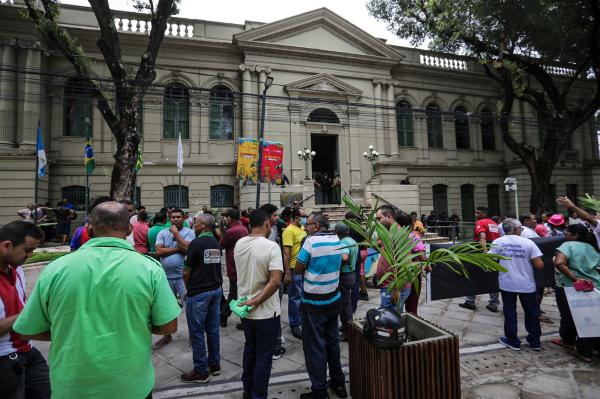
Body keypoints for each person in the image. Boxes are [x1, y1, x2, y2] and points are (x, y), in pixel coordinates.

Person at [13, 202, 180, 398]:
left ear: (89, 227)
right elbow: (168, 326)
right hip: (130, 385)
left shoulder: (55, 269)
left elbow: (29, 329)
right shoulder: (150, 268)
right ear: (129, 228)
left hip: (72, 386)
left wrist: (70, 329)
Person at [296, 213, 347, 399]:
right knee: (332, 342)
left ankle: (319, 391)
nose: (305, 227)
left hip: (314, 303)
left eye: (307, 224)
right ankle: (339, 383)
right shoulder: (337, 239)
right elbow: (341, 262)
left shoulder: (310, 242)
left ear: (316, 225)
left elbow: (299, 267)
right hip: (334, 299)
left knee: (315, 346)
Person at [234, 210, 283, 399]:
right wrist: (257, 301)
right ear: (267, 224)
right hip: (265, 312)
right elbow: (275, 281)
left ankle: (248, 389)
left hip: (245, 309)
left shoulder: (240, 243)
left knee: (250, 349)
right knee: (264, 356)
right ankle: (258, 395)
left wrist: (251, 301)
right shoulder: (271, 247)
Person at [0, 221, 50, 399]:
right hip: (4, 357)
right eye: (27, 250)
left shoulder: (16, 268)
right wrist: (27, 313)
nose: (29, 255)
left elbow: (21, 302)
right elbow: (23, 312)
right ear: (7, 245)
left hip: (27, 349)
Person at [489, 218, 544, 351]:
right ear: (515, 229)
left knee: (510, 312)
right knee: (532, 312)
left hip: (507, 283)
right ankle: (535, 341)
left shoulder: (498, 242)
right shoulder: (528, 242)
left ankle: (513, 341)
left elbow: (490, 260)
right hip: (527, 284)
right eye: (520, 228)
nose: (521, 230)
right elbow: (539, 265)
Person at [180, 213, 223, 383]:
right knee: (213, 329)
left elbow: (185, 272)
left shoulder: (195, 243)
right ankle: (215, 364)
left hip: (199, 294)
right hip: (216, 291)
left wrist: (188, 288)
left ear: (204, 224)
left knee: (197, 333)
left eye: (196, 223)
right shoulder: (216, 243)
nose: (193, 225)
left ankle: (200, 371)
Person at [552, 223, 600, 362]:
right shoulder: (593, 247)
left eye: (567, 233)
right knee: (592, 318)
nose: (565, 236)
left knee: (570, 316)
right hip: (594, 287)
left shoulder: (567, 246)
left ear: (575, 236)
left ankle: (575, 346)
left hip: (570, 287)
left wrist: (576, 278)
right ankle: (595, 348)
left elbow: (559, 263)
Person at [154, 208, 195, 349]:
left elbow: (188, 249)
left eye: (178, 217)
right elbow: (159, 251)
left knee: (190, 308)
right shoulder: (162, 233)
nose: (176, 219)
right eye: (173, 217)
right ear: (169, 219)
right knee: (167, 309)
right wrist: (179, 248)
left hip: (183, 278)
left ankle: (193, 336)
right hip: (166, 278)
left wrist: (176, 234)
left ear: (183, 218)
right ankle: (167, 335)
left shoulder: (190, 233)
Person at [459, 207, 501, 312]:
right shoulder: (493, 223)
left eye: (478, 213)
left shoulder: (480, 222)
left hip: (482, 252)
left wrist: (485, 251)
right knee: (493, 276)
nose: (476, 215)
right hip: (495, 251)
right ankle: (494, 304)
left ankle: (470, 302)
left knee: (473, 275)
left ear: (484, 213)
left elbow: (482, 236)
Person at [259, 203, 286, 360]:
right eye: (274, 215)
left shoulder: (274, 229)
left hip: (277, 276)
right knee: (272, 312)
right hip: (271, 279)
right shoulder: (266, 235)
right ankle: (274, 346)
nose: (277, 218)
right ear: (267, 218)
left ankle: (275, 341)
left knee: (275, 311)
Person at [219, 208, 248, 329]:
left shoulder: (231, 231)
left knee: (233, 295)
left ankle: (224, 316)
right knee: (240, 294)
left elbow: (220, 245)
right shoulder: (244, 229)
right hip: (242, 267)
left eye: (226, 217)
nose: (225, 219)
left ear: (230, 218)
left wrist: (219, 233)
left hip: (234, 268)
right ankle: (243, 320)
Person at [282, 207, 307, 340]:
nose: (305, 218)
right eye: (303, 216)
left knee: (303, 296)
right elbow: (286, 253)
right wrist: (287, 273)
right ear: (296, 217)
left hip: (303, 267)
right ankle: (294, 324)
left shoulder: (302, 229)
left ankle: (302, 320)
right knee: (295, 298)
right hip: (293, 268)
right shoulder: (289, 230)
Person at [335, 222, 357, 341]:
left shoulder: (343, 242)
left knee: (345, 305)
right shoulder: (353, 241)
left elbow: (344, 257)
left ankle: (347, 332)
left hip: (345, 275)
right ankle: (346, 327)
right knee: (346, 303)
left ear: (338, 233)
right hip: (352, 274)